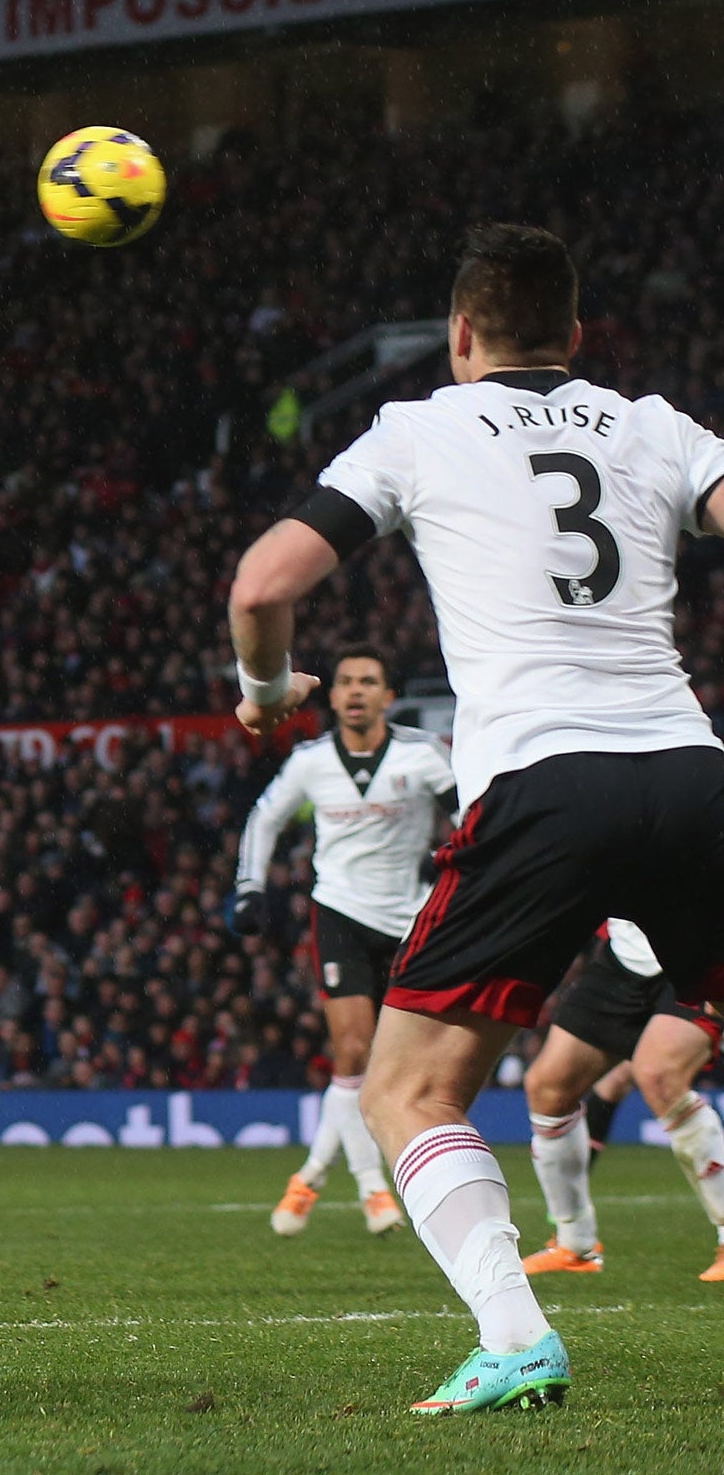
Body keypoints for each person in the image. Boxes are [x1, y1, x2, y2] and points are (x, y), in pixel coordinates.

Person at [227, 222, 724, 1413]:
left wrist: (263, 694)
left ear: (459, 334)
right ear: (576, 333)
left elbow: (262, 585)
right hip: (691, 770)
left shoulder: (419, 429)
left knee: (408, 1092)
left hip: (543, 786)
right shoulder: (653, 424)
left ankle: (514, 1335)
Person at [229, 646, 454, 1238]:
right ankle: (375, 1191)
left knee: (390, 1064)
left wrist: (465, 869)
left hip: (411, 921)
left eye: (369, 681)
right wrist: (250, 888)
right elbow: (265, 818)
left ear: (387, 696)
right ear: (332, 696)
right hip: (341, 915)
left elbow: (472, 816)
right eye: (347, 681)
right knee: (353, 1054)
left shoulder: (421, 755)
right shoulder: (309, 762)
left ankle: (310, 1175)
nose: (356, 691)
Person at [521, 920, 724, 1281]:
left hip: (699, 955)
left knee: (660, 1075)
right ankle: (574, 1244)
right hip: (625, 958)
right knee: (547, 1087)